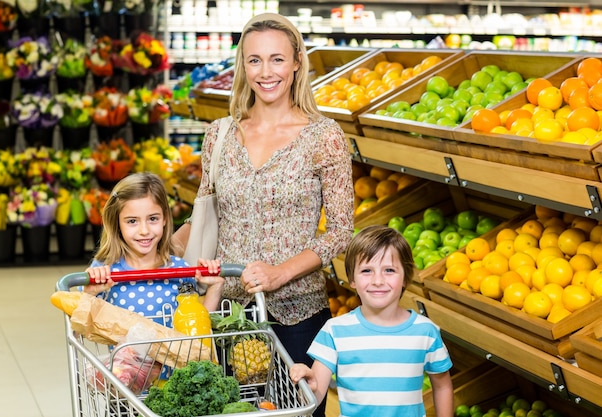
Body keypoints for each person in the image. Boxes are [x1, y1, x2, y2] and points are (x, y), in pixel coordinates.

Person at [172, 12, 354, 416]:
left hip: (299, 315)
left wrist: (280, 273)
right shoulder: (219, 134)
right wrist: (156, 246)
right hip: (228, 315)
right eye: (255, 60)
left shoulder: (325, 137)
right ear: (243, 66)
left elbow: (341, 231)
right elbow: (204, 213)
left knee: (297, 411)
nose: (266, 71)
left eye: (276, 59)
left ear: (296, 63)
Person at [290, 225, 454, 417]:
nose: (378, 280)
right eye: (367, 271)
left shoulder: (426, 331)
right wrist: (308, 385)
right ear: (352, 279)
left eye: (389, 270)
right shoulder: (335, 331)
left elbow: (442, 387)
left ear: (405, 278)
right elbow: (314, 397)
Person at [84, 172, 223, 326]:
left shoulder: (181, 270)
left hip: (174, 351)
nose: (144, 230)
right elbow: (78, 330)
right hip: (124, 351)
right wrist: (89, 293)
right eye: (132, 221)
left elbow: (197, 326)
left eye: (152, 219)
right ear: (117, 223)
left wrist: (214, 287)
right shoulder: (104, 270)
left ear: (164, 218)